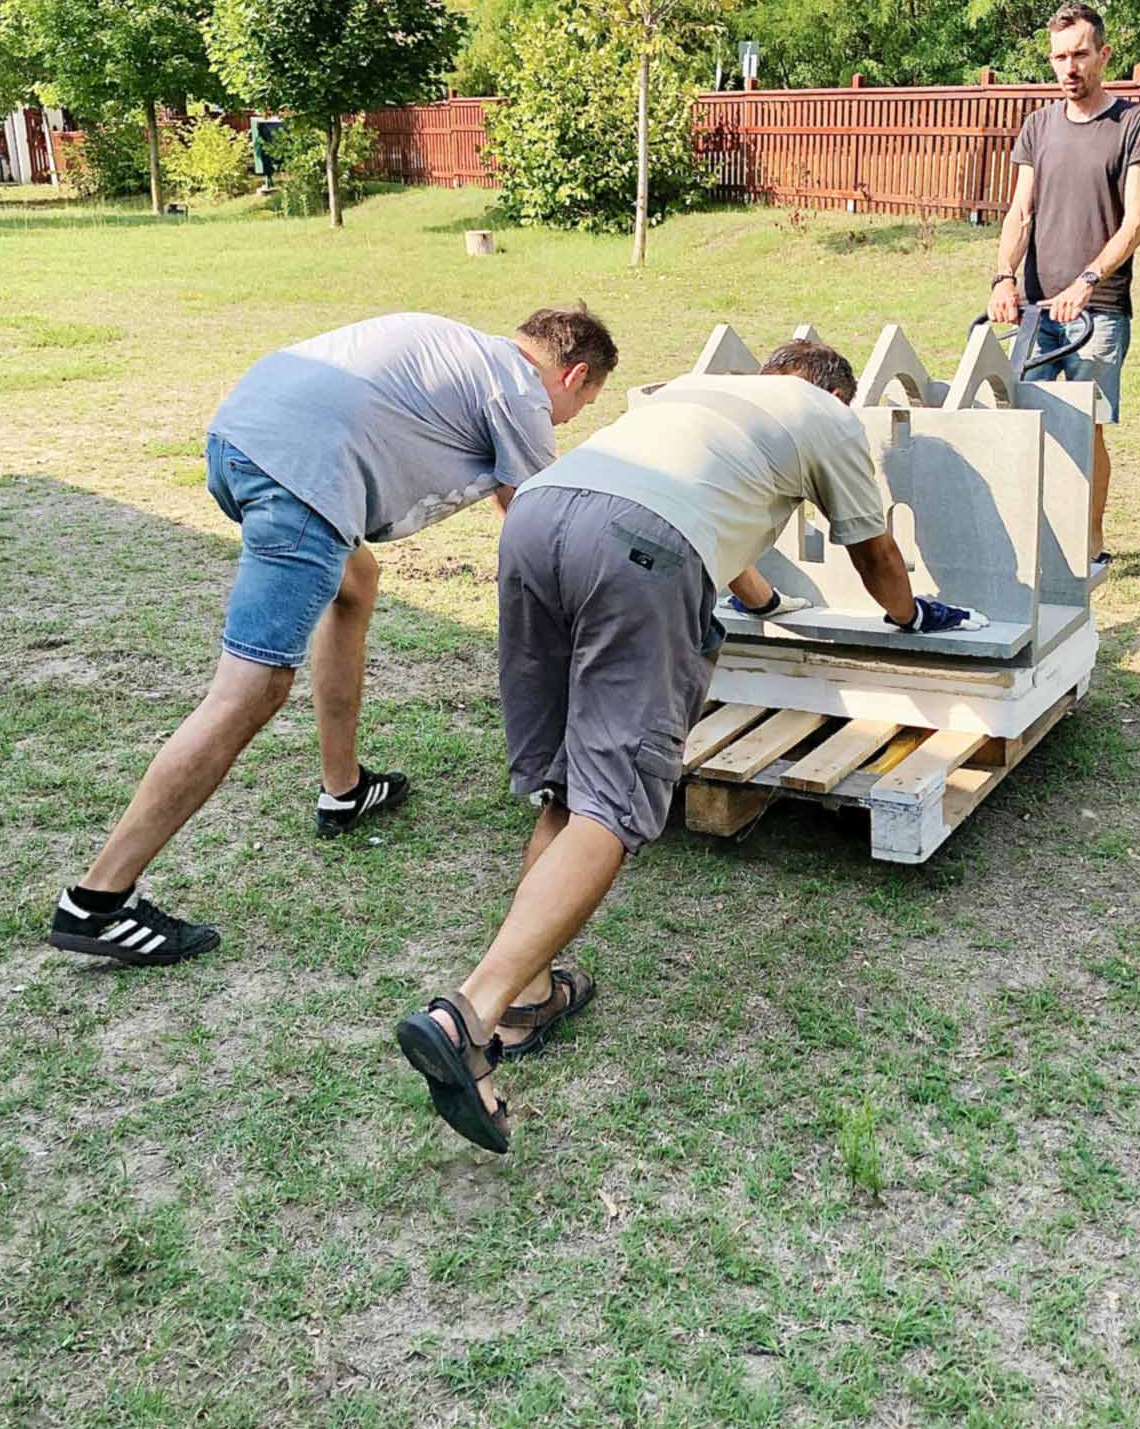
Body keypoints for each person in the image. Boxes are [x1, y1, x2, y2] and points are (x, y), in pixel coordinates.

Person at [394, 337, 979, 1153]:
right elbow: (874, 551)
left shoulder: (704, 395)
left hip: (536, 518)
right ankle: (470, 1015)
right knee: (612, 806)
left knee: (569, 783)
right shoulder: (828, 415)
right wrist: (911, 616)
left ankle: (527, 996)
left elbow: (710, 521)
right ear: (836, 394)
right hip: (637, 545)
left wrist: (767, 605)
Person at [47, 305, 617, 968]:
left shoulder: (464, 348)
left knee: (357, 580)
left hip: (237, 442)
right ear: (574, 375)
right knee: (251, 689)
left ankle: (343, 791)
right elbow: (536, 519)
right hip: (301, 478)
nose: (568, 420)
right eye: (583, 406)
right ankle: (98, 901)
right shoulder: (520, 391)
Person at [988, 3, 1140, 565]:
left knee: (1085, 430)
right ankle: (1029, 545)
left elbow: (1135, 222)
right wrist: (1003, 278)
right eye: (1060, 57)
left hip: (1099, 309)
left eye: (1080, 54)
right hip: (1036, 310)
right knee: (1023, 426)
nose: (1069, 67)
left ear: (1103, 55)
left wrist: (1088, 280)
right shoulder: (1038, 126)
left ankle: (1090, 545)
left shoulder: (1134, 124)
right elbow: (1020, 211)